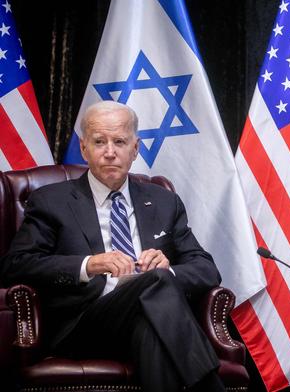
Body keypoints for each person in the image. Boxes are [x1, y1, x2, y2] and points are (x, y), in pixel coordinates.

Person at [0, 100, 225, 392]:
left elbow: (207, 269)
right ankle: (211, 385)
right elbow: (15, 265)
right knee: (154, 283)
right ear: (84, 149)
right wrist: (87, 264)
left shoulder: (163, 201)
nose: (109, 152)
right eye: (99, 142)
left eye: (119, 141)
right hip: (84, 325)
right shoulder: (50, 201)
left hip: (149, 318)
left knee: (152, 308)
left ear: (135, 148)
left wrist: (168, 270)